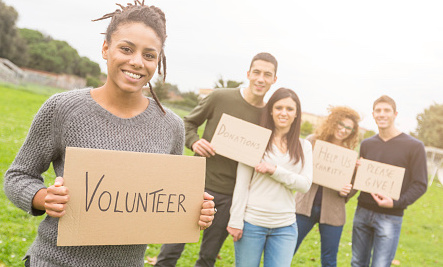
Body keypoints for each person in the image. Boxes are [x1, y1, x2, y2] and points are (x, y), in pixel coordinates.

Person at [3, 2, 215, 266]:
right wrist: (42, 198)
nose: (136, 62)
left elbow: (165, 203)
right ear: (105, 48)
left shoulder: (171, 126)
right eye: (126, 49)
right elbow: (17, 176)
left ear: (158, 61)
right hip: (54, 261)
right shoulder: (62, 108)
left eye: (149, 55)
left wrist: (197, 212)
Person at [155, 52, 278, 267]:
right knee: (170, 251)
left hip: (230, 194)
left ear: (274, 80)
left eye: (267, 75)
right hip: (196, 184)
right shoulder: (220, 97)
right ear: (248, 74)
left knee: (208, 257)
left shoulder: (269, 116)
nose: (261, 78)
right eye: (257, 72)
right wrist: (194, 142)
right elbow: (188, 123)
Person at [227, 88, 313, 266]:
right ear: (271, 110)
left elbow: (304, 185)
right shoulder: (255, 139)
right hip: (252, 224)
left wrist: (275, 171)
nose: (284, 113)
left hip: (286, 227)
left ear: (296, 113)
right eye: (279, 107)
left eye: (289, 109)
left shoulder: (304, 146)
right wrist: (235, 220)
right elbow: (242, 184)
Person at [351, 95, 428, 267]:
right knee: (357, 263)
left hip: (390, 216)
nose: (382, 114)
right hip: (362, 211)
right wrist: (356, 170)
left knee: (380, 265)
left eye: (387, 110)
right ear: (373, 114)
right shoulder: (367, 144)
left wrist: (395, 203)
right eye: (378, 111)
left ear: (395, 114)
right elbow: (360, 178)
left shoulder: (414, 146)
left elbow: (420, 184)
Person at [294, 106, 360, 267]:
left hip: (333, 212)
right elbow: (296, 167)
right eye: (341, 124)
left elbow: (353, 187)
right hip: (303, 208)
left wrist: (347, 191)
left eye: (348, 128)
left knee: (329, 260)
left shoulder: (349, 155)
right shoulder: (312, 141)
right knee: (287, 249)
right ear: (332, 122)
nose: (344, 130)